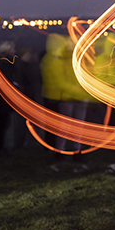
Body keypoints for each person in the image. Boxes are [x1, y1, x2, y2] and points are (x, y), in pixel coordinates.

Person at [40, 33, 95, 171]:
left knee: (78, 126)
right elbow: (62, 82)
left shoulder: (72, 57)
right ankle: (61, 153)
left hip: (75, 97)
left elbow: (81, 75)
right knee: (64, 127)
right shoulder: (57, 59)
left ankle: (75, 152)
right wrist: (81, 92)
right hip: (68, 97)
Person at [0, 42, 16, 156]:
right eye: (13, 49)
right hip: (0, 98)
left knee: (4, 123)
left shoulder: (5, 62)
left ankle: (0, 147)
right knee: (3, 123)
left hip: (2, 98)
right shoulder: (1, 63)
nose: (15, 51)